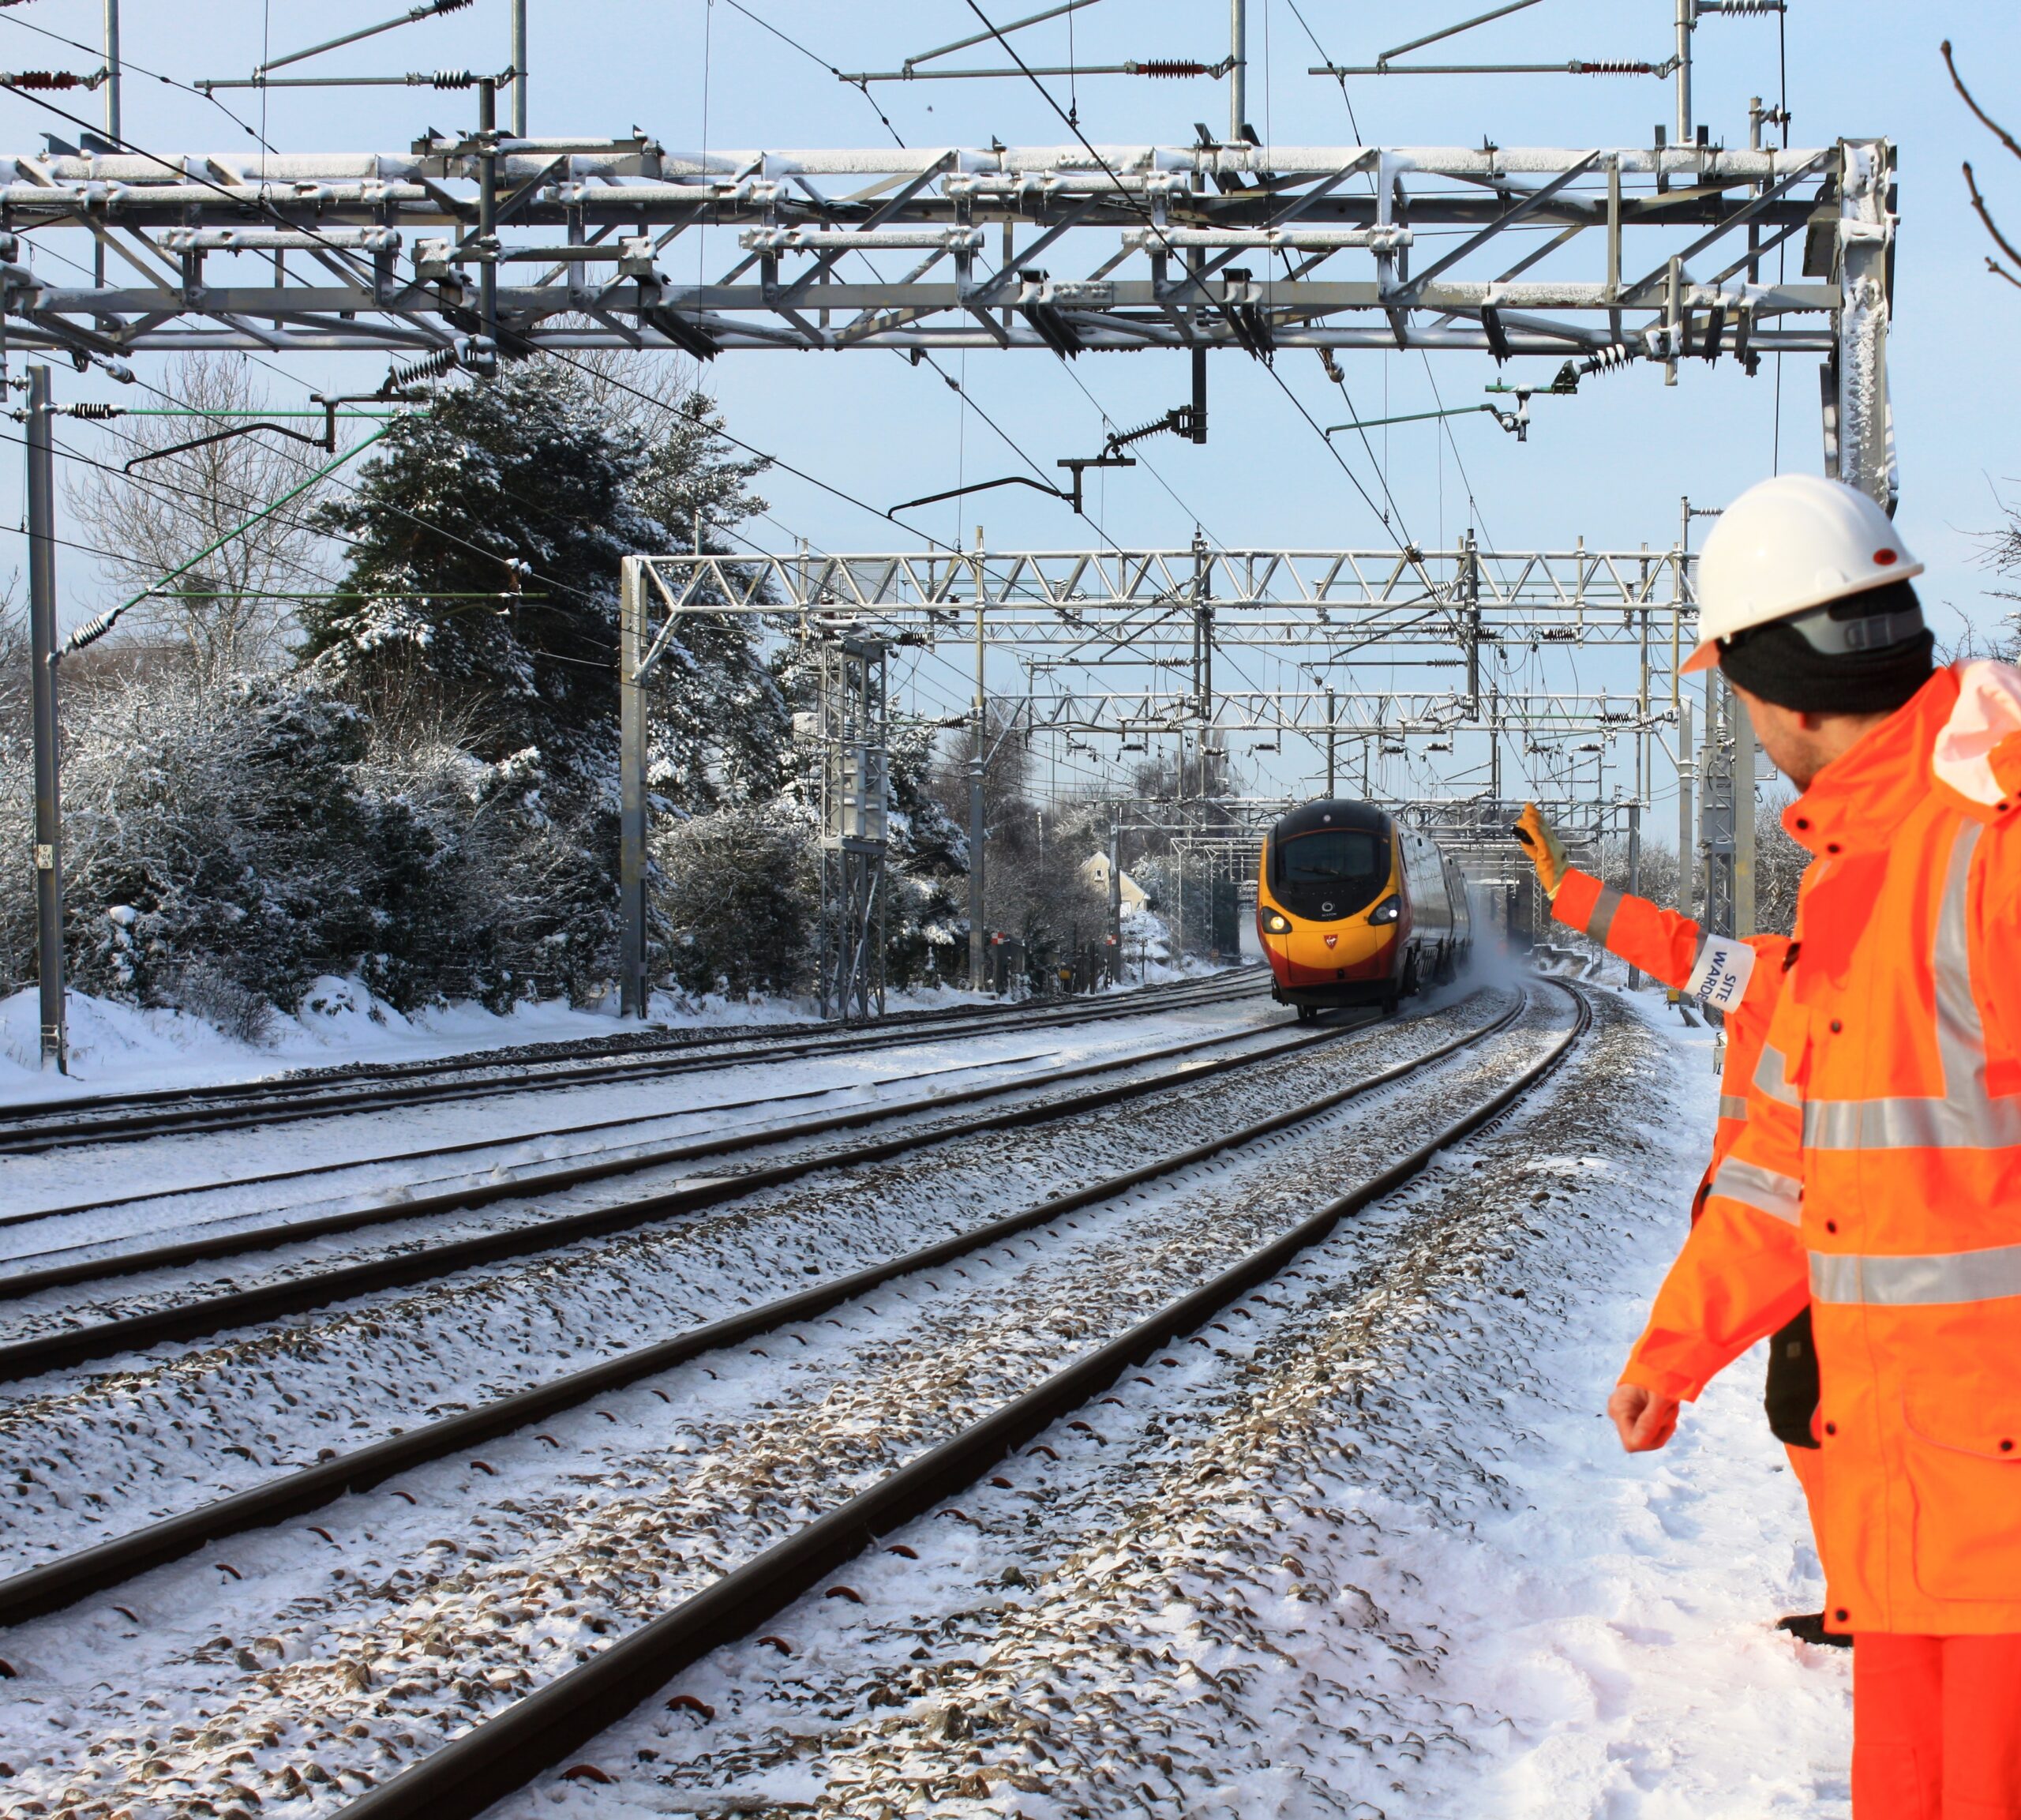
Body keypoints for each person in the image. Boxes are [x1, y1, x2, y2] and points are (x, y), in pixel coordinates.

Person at [1606, 473, 2021, 1818]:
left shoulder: (1990, 838)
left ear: (1776, 695)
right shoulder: (1857, 876)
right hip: (1911, 1507)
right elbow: (1785, 1166)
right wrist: (1675, 1354)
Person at [1512, 802, 1839, 1645]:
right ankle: (1868, 1591)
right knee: (1809, 1409)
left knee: (1811, 1410)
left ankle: (1872, 1596)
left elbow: (1680, 950)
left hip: (1816, 1234)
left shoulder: (1782, 975)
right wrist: (1571, 892)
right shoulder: (1771, 973)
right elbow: (1675, 947)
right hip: (1792, 1231)